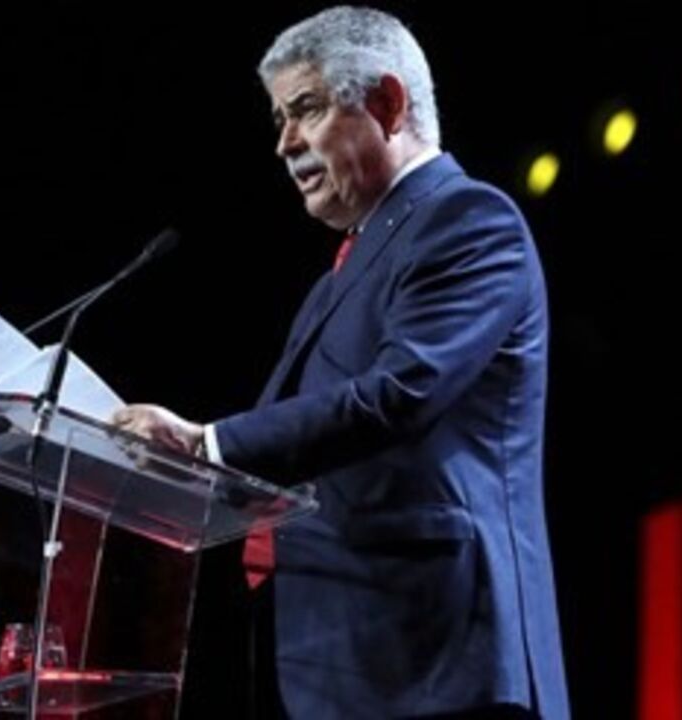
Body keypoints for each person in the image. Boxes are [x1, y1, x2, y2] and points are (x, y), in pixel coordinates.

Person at [112, 6, 569, 718]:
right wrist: (184, 468)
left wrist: (206, 444)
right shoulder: (338, 277)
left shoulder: (469, 221)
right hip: (344, 657)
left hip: (439, 655)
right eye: (278, 119)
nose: (284, 143)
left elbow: (400, 393)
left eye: (306, 109)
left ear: (387, 104)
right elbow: (291, 452)